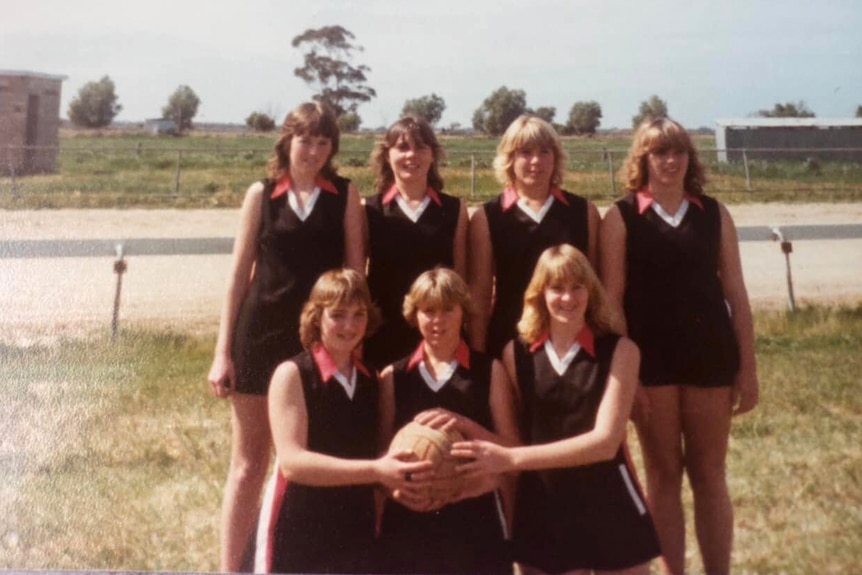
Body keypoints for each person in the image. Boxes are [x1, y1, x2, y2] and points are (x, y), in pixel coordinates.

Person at [206, 102, 366, 571]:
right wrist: (222, 353)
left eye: (322, 142)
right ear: (286, 140)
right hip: (258, 338)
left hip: (319, 346)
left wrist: (353, 342)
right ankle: (232, 567)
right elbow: (238, 278)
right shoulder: (261, 195)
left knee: (310, 460)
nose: (312, 151)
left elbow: (356, 275)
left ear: (332, 148)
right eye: (305, 140)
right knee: (249, 464)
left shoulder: (345, 195)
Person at [599, 117, 759, 575]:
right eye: (659, 153)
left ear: (690, 158)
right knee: (664, 476)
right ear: (642, 159)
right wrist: (626, 380)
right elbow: (612, 302)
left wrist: (747, 368)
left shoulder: (714, 214)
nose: (670, 161)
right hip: (652, 366)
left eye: (678, 152)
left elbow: (737, 295)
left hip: (710, 360)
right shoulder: (621, 217)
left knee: (709, 475)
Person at [453, 244, 661, 575]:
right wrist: (463, 424)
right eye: (557, 288)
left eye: (577, 286)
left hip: (609, 498)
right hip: (545, 502)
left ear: (591, 291)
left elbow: (605, 443)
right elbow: (515, 437)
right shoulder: (515, 354)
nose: (568, 298)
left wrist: (513, 460)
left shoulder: (620, 351)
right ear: (540, 294)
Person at [254, 269, 432, 574]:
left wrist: (407, 485)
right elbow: (294, 463)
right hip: (298, 527)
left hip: (353, 523)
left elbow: (377, 460)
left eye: (358, 314)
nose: (349, 325)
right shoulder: (293, 374)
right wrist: (377, 470)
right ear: (316, 317)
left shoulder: (370, 380)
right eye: (337, 315)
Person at [376, 267, 519, 574]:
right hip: (409, 521)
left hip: (474, 518)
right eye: (428, 311)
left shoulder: (488, 371)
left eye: (447, 310)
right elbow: (380, 460)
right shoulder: (393, 376)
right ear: (414, 315)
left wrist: (467, 427)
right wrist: (397, 491)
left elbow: (512, 449)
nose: (437, 321)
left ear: (463, 312)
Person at [468, 114, 600, 358]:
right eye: (525, 152)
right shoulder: (487, 217)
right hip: (510, 339)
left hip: (572, 342)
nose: (535, 161)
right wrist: (479, 357)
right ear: (509, 159)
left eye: (544, 152)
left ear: (556, 157)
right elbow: (481, 295)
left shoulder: (584, 212)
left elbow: (595, 288)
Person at [364, 115, 469, 367]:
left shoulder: (454, 209)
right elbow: (359, 277)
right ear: (387, 155)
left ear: (432, 155)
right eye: (402, 148)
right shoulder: (370, 210)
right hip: (384, 333)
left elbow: (461, 279)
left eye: (421, 147)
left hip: (439, 332)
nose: (412, 155)